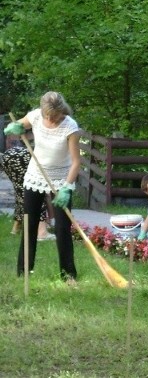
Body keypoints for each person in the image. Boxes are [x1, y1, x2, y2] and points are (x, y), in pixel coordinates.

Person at [4, 91, 81, 283]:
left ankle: (68, 274)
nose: (49, 119)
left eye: (53, 116)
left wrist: (67, 187)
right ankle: (23, 272)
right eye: (47, 115)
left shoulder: (70, 127)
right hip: (35, 176)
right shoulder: (37, 115)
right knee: (29, 223)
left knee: (63, 227)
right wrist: (14, 127)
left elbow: (76, 162)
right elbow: (19, 124)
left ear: (61, 111)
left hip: (61, 179)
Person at [0, 145, 55, 240]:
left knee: (21, 192)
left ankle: (16, 228)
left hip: (9, 156)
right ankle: (42, 232)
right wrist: (50, 219)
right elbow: (48, 196)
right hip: (21, 156)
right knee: (37, 192)